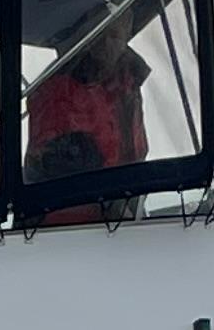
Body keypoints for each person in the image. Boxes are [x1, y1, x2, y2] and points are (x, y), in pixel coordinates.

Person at [22, 28, 150, 217]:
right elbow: (54, 174)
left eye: (114, 32)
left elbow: (137, 155)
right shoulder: (58, 92)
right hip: (65, 230)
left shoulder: (129, 81)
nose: (108, 43)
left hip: (126, 219)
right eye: (101, 31)